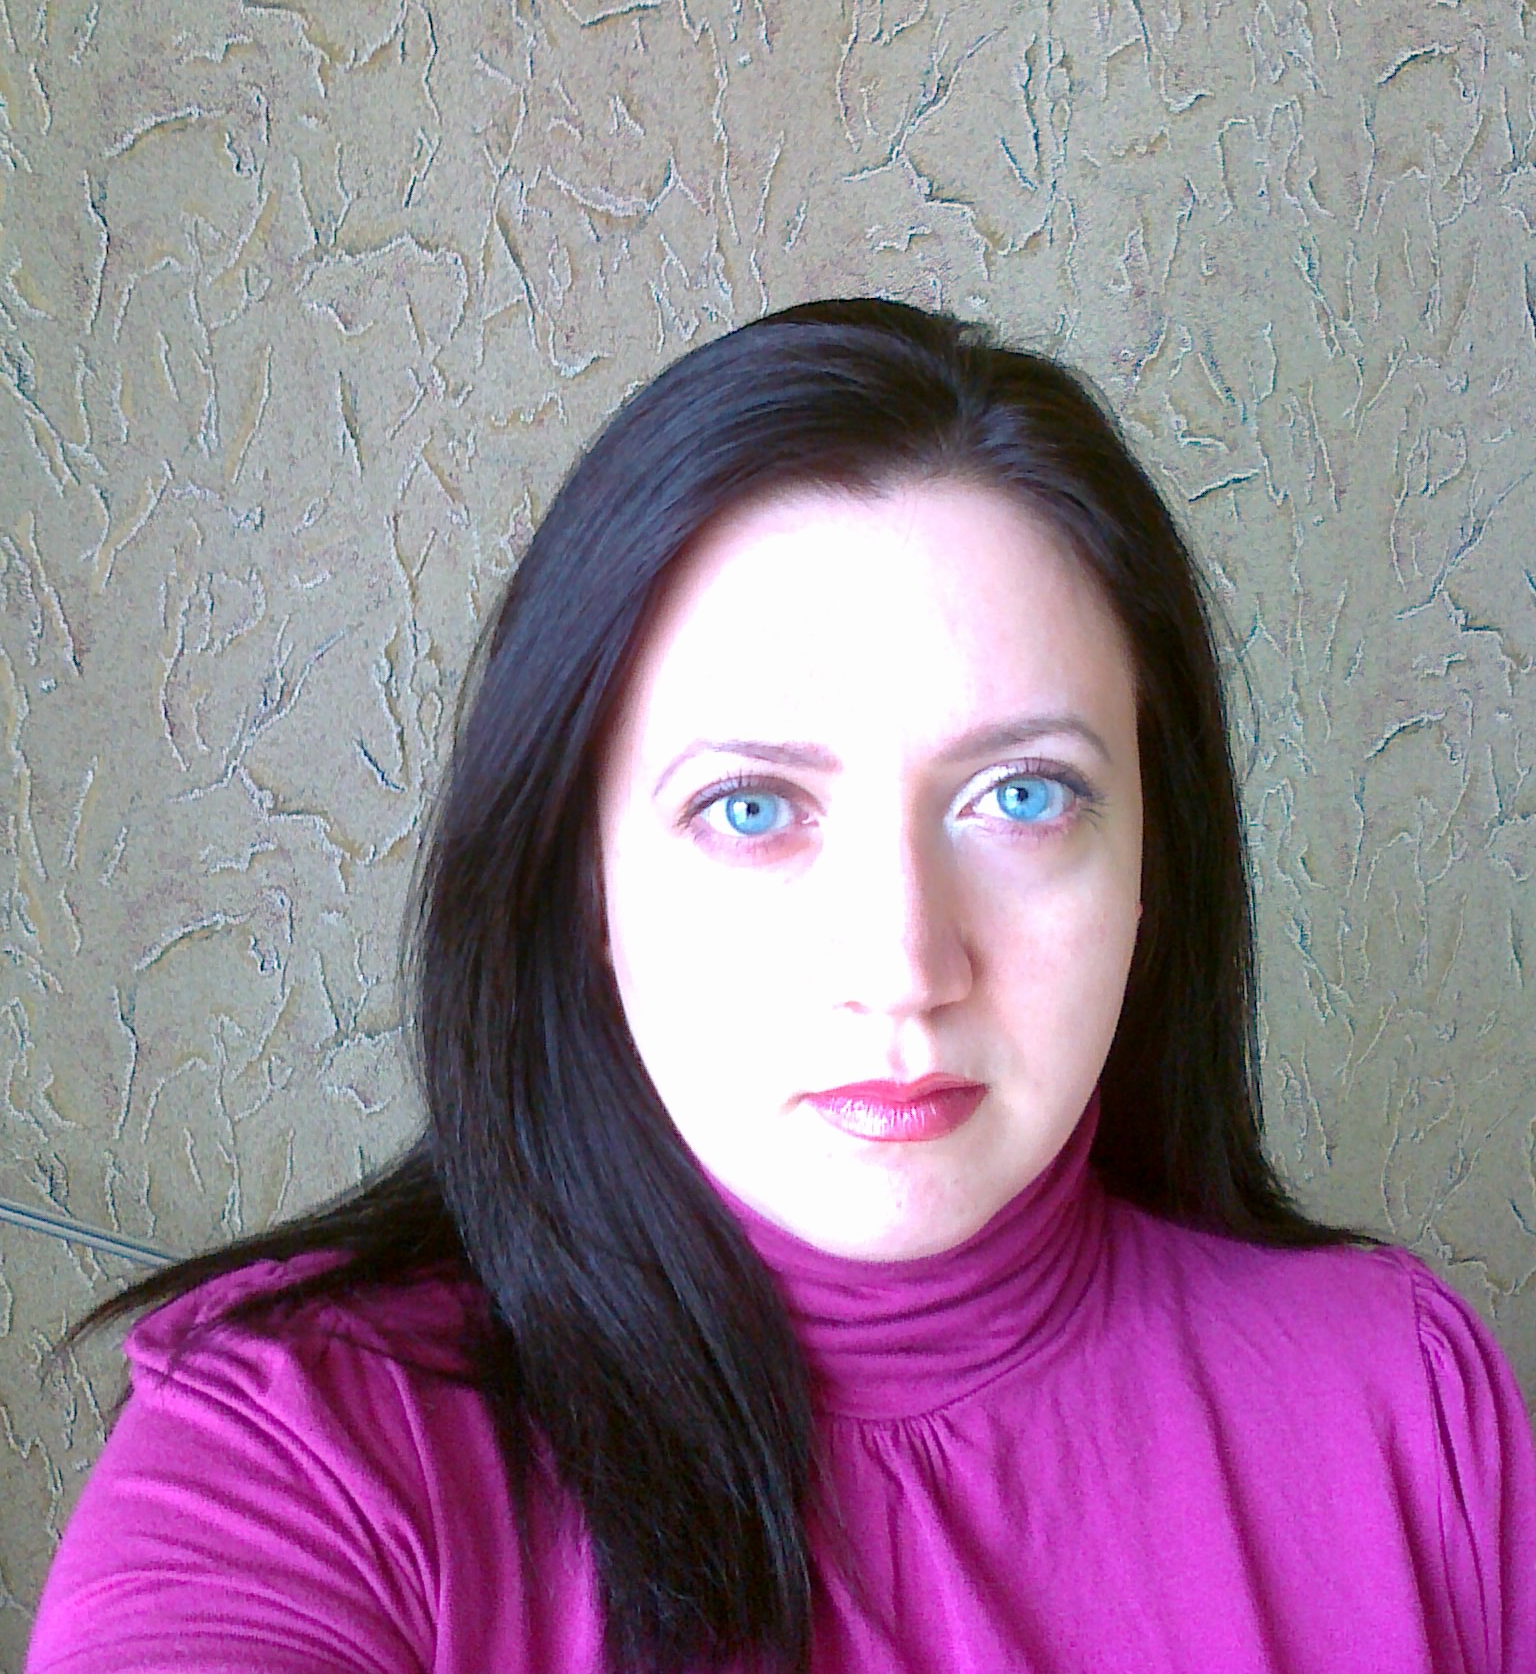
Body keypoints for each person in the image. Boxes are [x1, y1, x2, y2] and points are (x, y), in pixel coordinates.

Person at [27, 298, 1536, 1674]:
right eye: (750, 808)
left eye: (1021, 797)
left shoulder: (1407, 1403)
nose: (904, 969)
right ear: (582, 881)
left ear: (1155, 857)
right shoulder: (299, 1460)